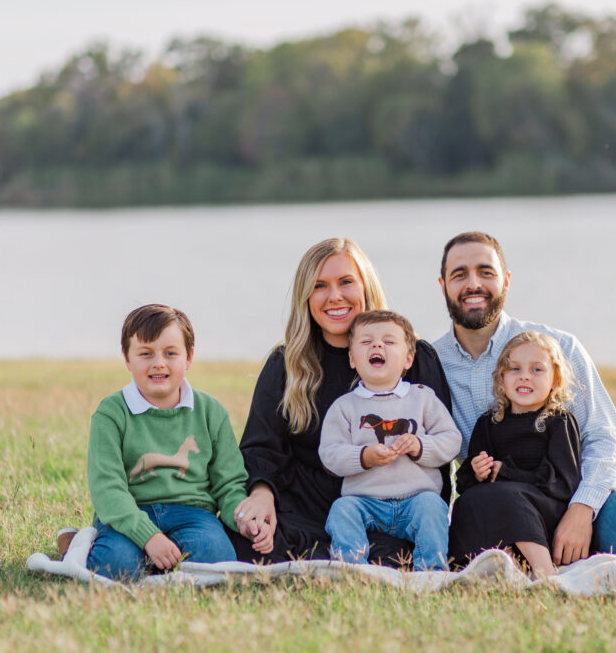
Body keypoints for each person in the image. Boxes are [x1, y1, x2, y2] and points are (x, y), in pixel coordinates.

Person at [432, 232, 616, 566]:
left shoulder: (557, 347)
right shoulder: (430, 364)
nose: (473, 284)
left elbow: (603, 435)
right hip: (506, 500)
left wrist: (582, 510)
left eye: (486, 272)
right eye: (459, 275)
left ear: (506, 281)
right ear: (443, 285)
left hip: (574, 488)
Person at [231, 237, 453, 564]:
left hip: (390, 513)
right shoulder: (286, 363)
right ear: (306, 297)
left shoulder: (414, 358)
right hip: (301, 512)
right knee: (240, 540)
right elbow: (261, 448)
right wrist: (261, 495)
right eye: (320, 286)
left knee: (393, 555)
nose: (334, 295)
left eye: (346, 282)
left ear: (366, 286)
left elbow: (441, 454)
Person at [84, 304, 260, 580]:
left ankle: (161, 561)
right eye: (146, 353)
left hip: (193, 514)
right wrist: (149, 537)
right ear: (127, 359)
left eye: (170, 353)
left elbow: (229, 484)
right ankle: (78, 545)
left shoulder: (210, 411)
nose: (158, 363)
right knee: (114, 566)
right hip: (130, 512)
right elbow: (107, 489)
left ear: (189, 357)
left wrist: (243, 519)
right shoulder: (111, 413)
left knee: (218, 558)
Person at [319, 311, 461, 570]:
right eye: (366, 342)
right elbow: (330, 453)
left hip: (416, 499)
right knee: (341, 510)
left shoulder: (422, 398)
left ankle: (431, 571)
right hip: (364, 501)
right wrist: (364, 456)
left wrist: (420, 446)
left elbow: (451, 440)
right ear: (352, 359)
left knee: (433, 508)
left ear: (408, 359)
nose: (377, 345)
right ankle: (351, 568)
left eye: (388, 341)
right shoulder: (345, 406)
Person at [450, 331, 581, 577]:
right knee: (467, 501)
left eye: (537, 369)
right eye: (514, 369)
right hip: (501, 506)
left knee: (506, 494)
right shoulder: (489, 423)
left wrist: (507, 474)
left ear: (555, 379)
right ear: (501, 378)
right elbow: (464, 483)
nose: (525, 376)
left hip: (543, 510)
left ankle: (544, 572)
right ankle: (502, 562)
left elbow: (564, 482)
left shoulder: (558, 421)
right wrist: (477, 472)